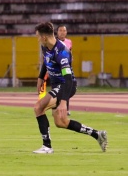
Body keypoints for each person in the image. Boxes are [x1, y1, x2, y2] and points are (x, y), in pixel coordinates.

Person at [33, 22, 107, 154]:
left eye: (38, 37)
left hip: (67, 85)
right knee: (61, 122)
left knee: (38, 107)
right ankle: (97, 134)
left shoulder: (62, 52)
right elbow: (46, 61)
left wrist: (63, 102)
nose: (38, 39)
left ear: (44, 37)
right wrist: (40, 78)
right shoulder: (45, 47)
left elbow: (67, 78)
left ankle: (47, 146)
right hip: (57, 85)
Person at [57, 24, 73, 115]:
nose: (62, 32)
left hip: (66, 67)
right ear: (57, 32)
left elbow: (70, 52)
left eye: (64, 30)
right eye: (60, 30)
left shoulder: (69, 42)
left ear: (66, 32)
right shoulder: (55, 42)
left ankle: (66, 109)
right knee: (57, 87)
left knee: (67, 85)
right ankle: (56, 106)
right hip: (57, 68)